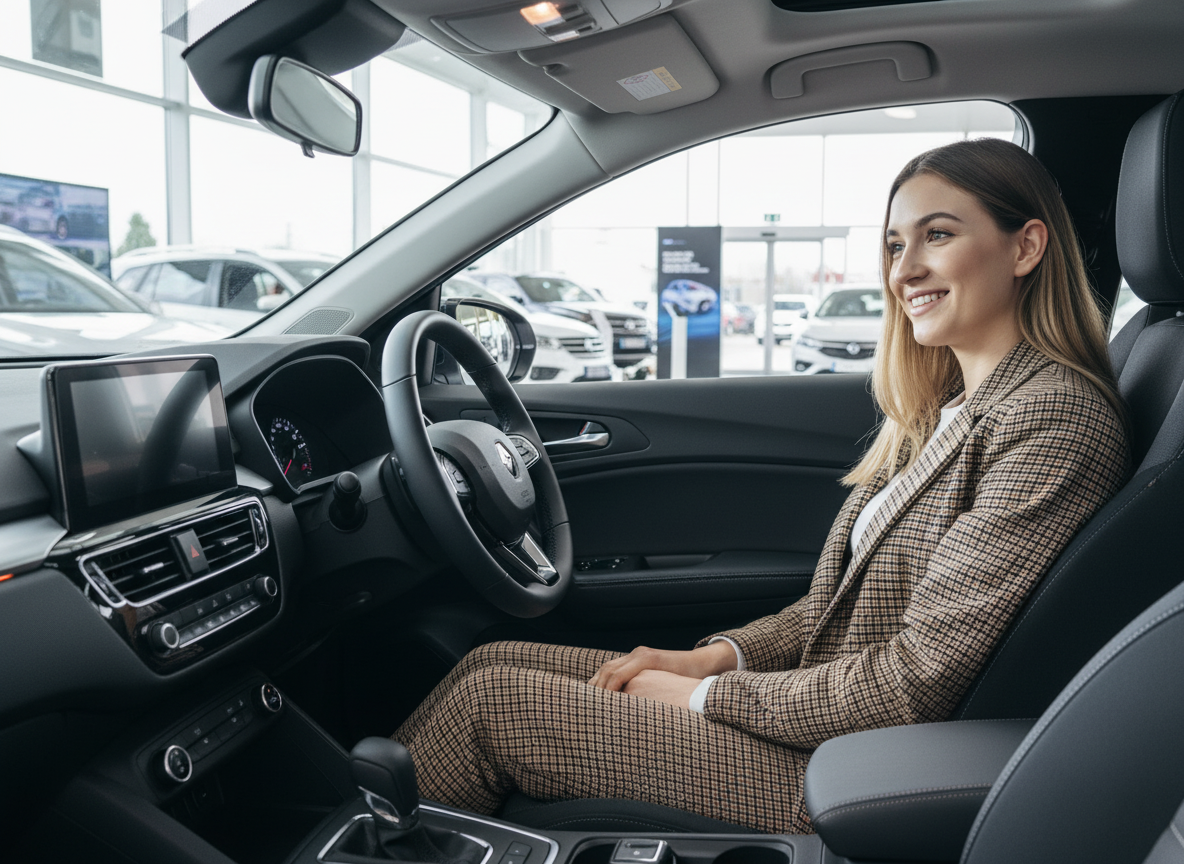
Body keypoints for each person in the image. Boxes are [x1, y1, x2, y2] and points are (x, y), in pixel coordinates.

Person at [392, 138, 1131, 834]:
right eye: (895, 245)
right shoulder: (950, 409)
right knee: (492, 660)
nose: (903, 271)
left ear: (1026, 246)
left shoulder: (1052, 416)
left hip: (855, 770)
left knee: (493, 706)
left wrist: (704, 698)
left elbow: (914, 683)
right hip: (824, 722)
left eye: (937, 236)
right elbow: (830, 612)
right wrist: (713, 658)